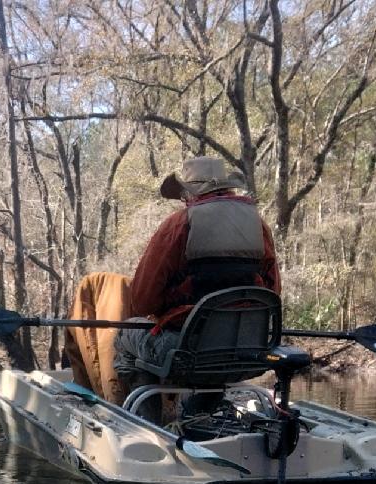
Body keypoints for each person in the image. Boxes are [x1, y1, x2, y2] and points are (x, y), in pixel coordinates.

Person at [114, 156, 280, 408]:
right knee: (206, 358)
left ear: (189, 194)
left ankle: (146, 424)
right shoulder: (260, 227)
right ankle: (199, 416)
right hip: (247, 353)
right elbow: (272, 293)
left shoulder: (178, 224)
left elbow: (143, 301)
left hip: (187, 353)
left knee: (127, 332)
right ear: (228, 188)